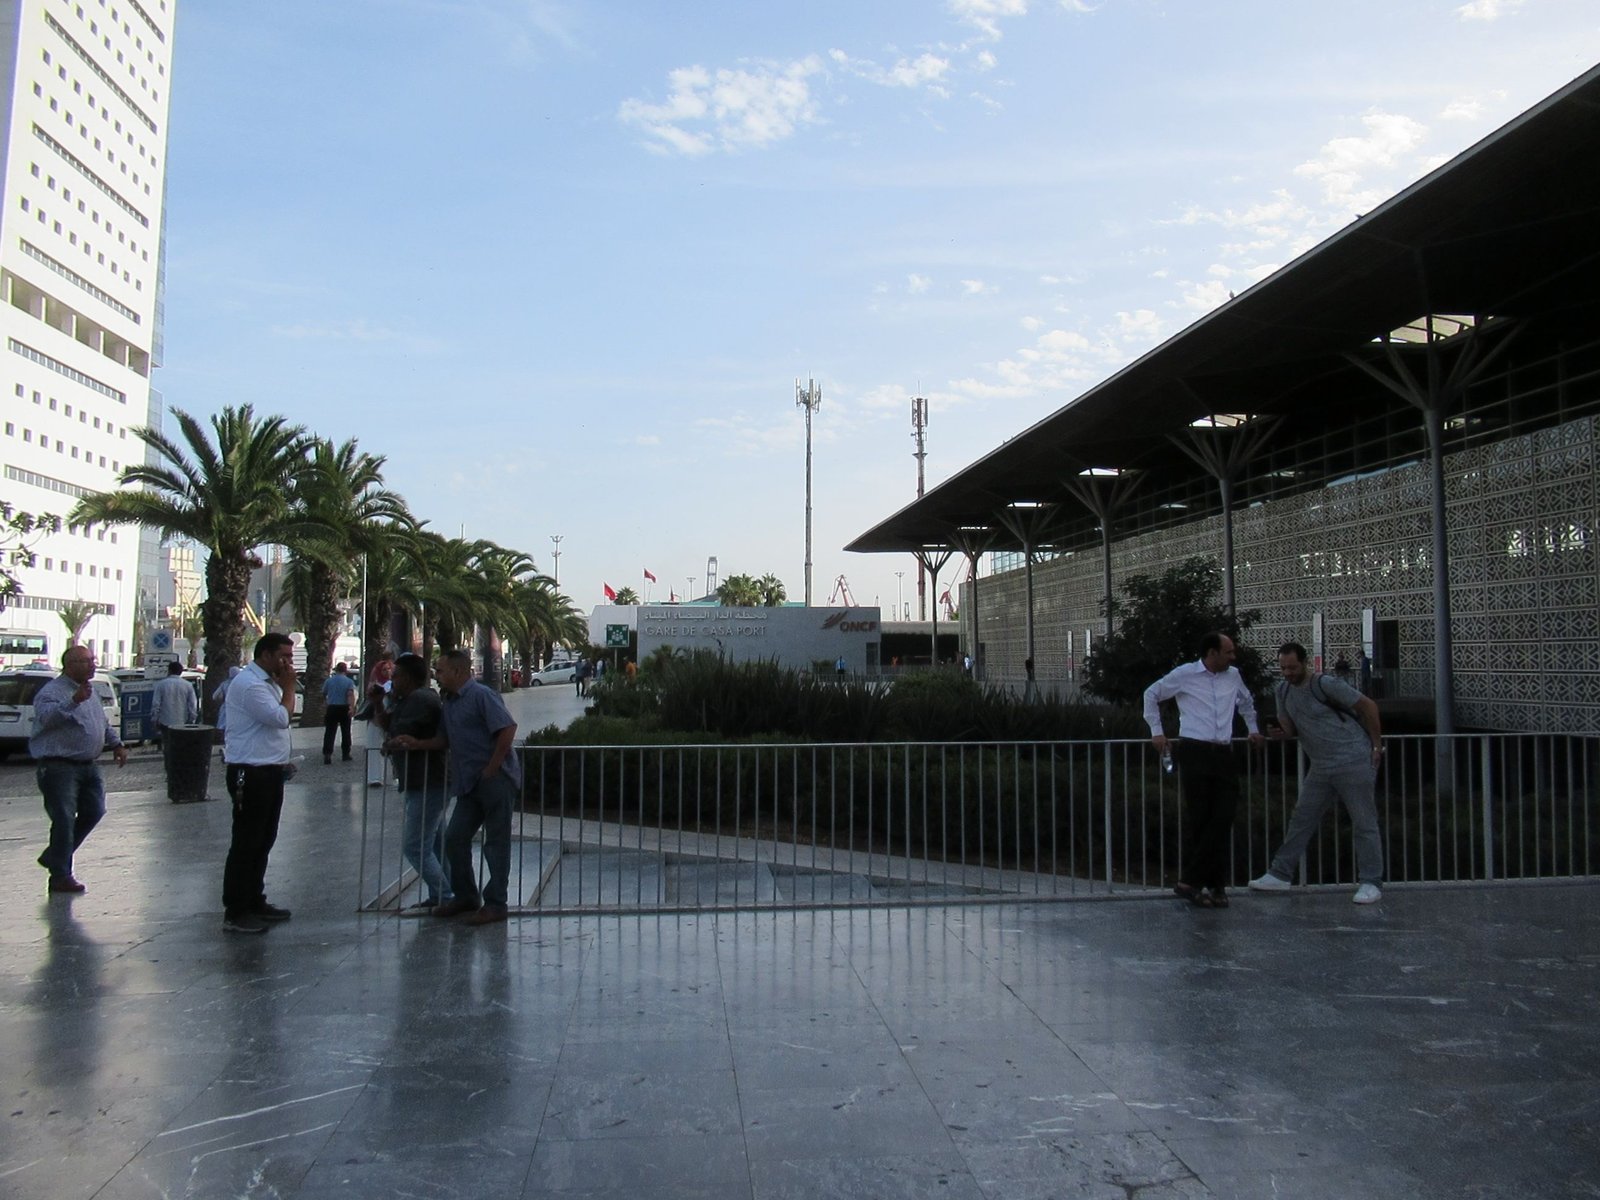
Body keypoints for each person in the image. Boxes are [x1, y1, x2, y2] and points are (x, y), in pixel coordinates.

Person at [1250, 642, 1385, 904]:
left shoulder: (1325, 684)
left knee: (1364, 821)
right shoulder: (1283, 691)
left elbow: (1368, 706)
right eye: (1283, 668)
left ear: (1304, 663)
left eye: (1292, 667)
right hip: (1321, 765)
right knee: (1302, 817)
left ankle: (1371, 881)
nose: (1288, 672)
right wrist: (1279, 734)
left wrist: (1376, 745)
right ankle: (1280, 873)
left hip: (1352, 759)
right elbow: (1290, 728)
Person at [391, 648, 519, 926]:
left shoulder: (481, 696)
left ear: (459, 672)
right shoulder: (449, 702)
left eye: (440, 670)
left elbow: (507, 728)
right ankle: (465, 896)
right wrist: (416, 744)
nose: (436, 675)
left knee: (496, 843)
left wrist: (493, 766)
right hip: (468, 783)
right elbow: (443, 740)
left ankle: (496, 903)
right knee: (454, 838)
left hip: (494, 780)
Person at [1143, 631, 1264, 909]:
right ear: (1212, 653)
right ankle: (1214, 885)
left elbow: (1246, 702)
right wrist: (1157, 732)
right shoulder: (1185, 674)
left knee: (1222, 817)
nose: (1233, 657)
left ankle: (1191, 881)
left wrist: (1253, 729)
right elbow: (1151, 693)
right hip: (1195, 750)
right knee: (1202, 819)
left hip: (1222, 751)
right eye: (1228, 651)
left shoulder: (1233, 676)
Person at [29, 645, 127, 893]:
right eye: (86, 661)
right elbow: (46, 719)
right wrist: (73, 702)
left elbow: (100, 722)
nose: (93, 664)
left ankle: (54, 855)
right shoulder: (52, 692)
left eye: (93, 660)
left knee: (94, 810)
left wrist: (116, 744)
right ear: (70, 664)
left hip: (88, 766)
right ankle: (60, 875)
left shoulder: (88, 691)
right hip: (59, 766)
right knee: (63, 818)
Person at [220, 632, 297, 934]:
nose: (288, 663)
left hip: (269, 770)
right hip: (249, 773)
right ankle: (236, 909)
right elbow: (280, 718)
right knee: (246, 841)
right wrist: (289, 687)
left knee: (264, 839)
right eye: (284, 657)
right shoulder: (251, 685)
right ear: (265, 655)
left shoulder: (267, 683)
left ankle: (254, 898)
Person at [378, 654, 452, 909]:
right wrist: (379, 704)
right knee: (437, 842)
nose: (392, 679)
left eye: (396, 675)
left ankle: (445, 895)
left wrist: (393, 743)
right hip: (421, 780)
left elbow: (400, 734)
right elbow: (391, 727)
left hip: (428, 780)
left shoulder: (420, 699)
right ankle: (441, 893)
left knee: (415, 846)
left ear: (408, 677)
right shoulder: (409, 699)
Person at [362, 653, 395, 786]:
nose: (387, 672)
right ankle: (374, 777)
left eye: (389, 669)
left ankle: (395, 775)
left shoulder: (394, 685)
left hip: (389, 720)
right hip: (375, 722)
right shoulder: (374, 686)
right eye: (384, 670)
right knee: (374, 748)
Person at [151, 661, 198, 740]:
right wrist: (192, 719)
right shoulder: (188, 685)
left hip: (165, 721)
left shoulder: (161, 684)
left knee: (167, 743)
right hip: (182, 721)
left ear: (169, 670)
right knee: (180, 744)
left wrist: (154, 719)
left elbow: (156, 704)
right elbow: (192, 704)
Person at [321, 661, 357, 765]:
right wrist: (351, 707)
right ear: (345, 670)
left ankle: (327, 754)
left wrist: (327, 703)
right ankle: (346, 754)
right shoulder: (349, 682)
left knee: (330, 732)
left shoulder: (329, 681)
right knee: (346, 731)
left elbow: (324, 693)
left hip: (332, 708)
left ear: (336, 669)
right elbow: (350, 695)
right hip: (344, 708)